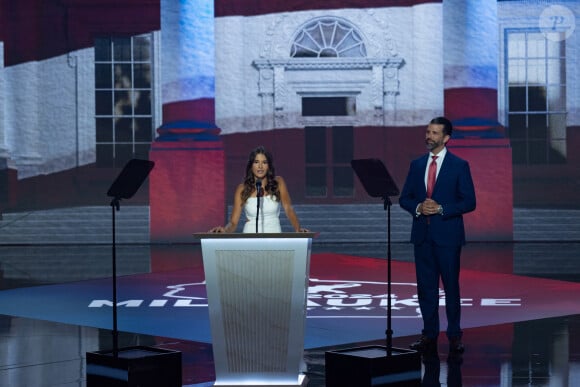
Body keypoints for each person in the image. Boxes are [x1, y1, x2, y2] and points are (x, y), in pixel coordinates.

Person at [399, 116, 476, 355]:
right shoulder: (417, 164)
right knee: (426, 289)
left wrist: (441, 208)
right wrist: (419, 208)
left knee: (451, 287)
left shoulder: (459, 165)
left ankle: (454, 336)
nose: (428, 136)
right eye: (427, 132)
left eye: (434, 133)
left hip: (448, 237)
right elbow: (405, 198)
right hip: (422, 236)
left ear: (446, 138)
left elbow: (469, 201)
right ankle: (429, 334)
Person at [209, 146, 309, 234]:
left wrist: (298, 229)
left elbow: (288, 208)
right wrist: (224, 230)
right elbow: (233, 222)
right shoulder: (242, 189)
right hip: (250, 238)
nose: (260, 166)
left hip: (274, 238)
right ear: (251, 165)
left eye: (264, 162)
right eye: (256, 162)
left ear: (268, 165)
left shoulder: (278, 182)